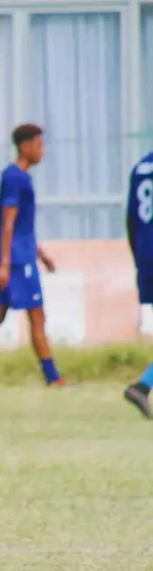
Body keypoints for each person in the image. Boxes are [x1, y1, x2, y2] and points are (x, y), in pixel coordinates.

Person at [0, 124, 64, 387]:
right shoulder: (14, 178)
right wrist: (6, 265)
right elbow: (8, 222)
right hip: (17, 260)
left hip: (19, 255)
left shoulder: (20, 177)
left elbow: (22, 225)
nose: (42, 151)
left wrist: (42, 255)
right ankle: (53, 378)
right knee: (36, 316)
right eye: (38, 145)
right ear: (24, 146)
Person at [123, 149, 153, 418]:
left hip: (146, 255)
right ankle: (142, 386)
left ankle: (143, 386)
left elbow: (131, 218)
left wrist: (139, 259)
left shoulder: (141, 166)